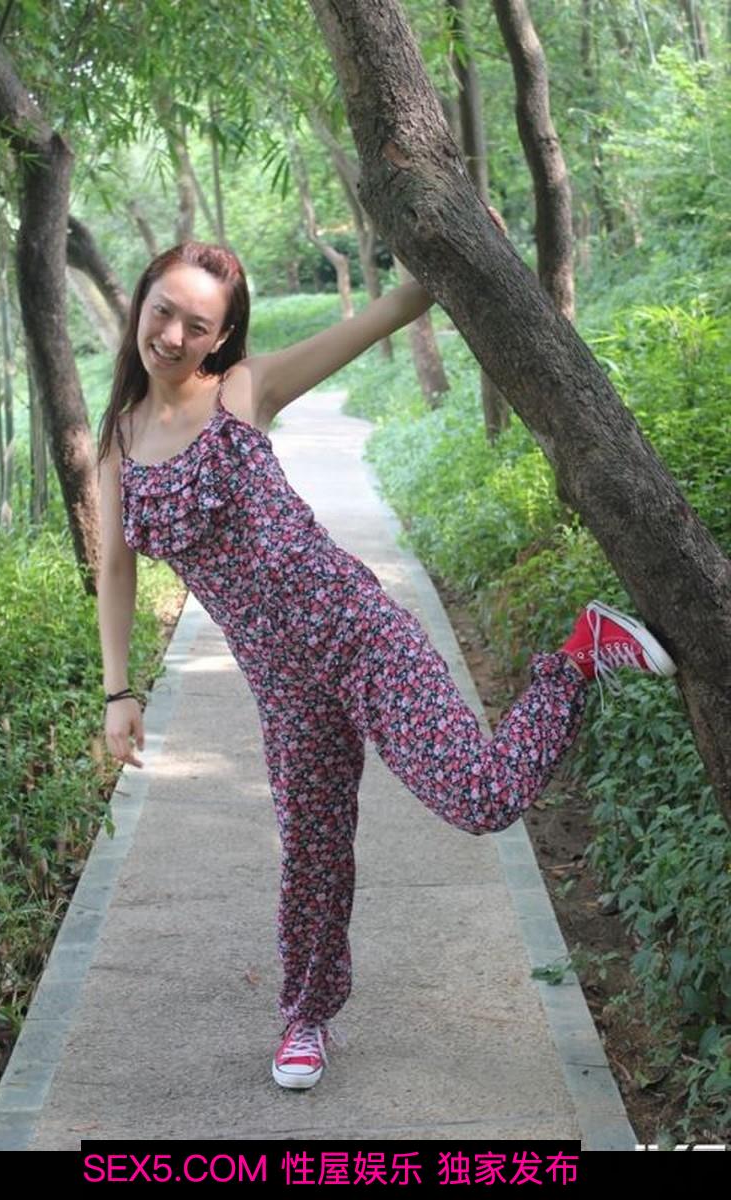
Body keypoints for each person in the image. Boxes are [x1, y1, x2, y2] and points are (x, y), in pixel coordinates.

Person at [96, 240, 676, 1092]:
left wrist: (451, 238)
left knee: (481, 798)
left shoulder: (243, 392)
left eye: (198, 324)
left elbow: (381, 316)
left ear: (221, 338)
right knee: (313, 858)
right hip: (281, 684)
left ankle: (578, 656)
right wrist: (119, 690)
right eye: (164, 312)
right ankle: (306, 1016)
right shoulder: (117, 443)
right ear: (141, 301)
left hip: (361, 635)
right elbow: (114, 570)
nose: (174, 335)